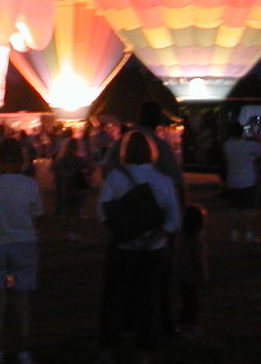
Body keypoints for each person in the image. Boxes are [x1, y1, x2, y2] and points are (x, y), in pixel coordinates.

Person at [95, 130, 182, 364]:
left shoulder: (115, 177)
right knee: (149, 300)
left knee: (114, 298)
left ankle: (108, 348)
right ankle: (144, 350)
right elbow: (173, 219)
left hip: (122, 247)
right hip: (153, 250)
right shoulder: (164, 181)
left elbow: (102, 210)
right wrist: (153, 239)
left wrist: (120, 232)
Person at [0, 137, 43, 364]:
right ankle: (23, 350)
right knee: (22, 299)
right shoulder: (29, 184)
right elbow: (36, 214)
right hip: (24, 242)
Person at [222, 122, 261, 242]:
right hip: (247, 180)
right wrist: (254, 135)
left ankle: (234, 232)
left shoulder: (227, 146)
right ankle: (248, 233)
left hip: (232, 180)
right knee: (249, 209)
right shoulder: (248, 145)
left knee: (234, 208)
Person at [174, 204, 209, 339]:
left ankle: (182, 324)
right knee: (193, 303)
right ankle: (189, 328)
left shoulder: (182, 238)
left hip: (181, 276)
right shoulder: (196, 239)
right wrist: (204, 274)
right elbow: (199, 259)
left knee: (187, 301)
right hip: (191, 277)